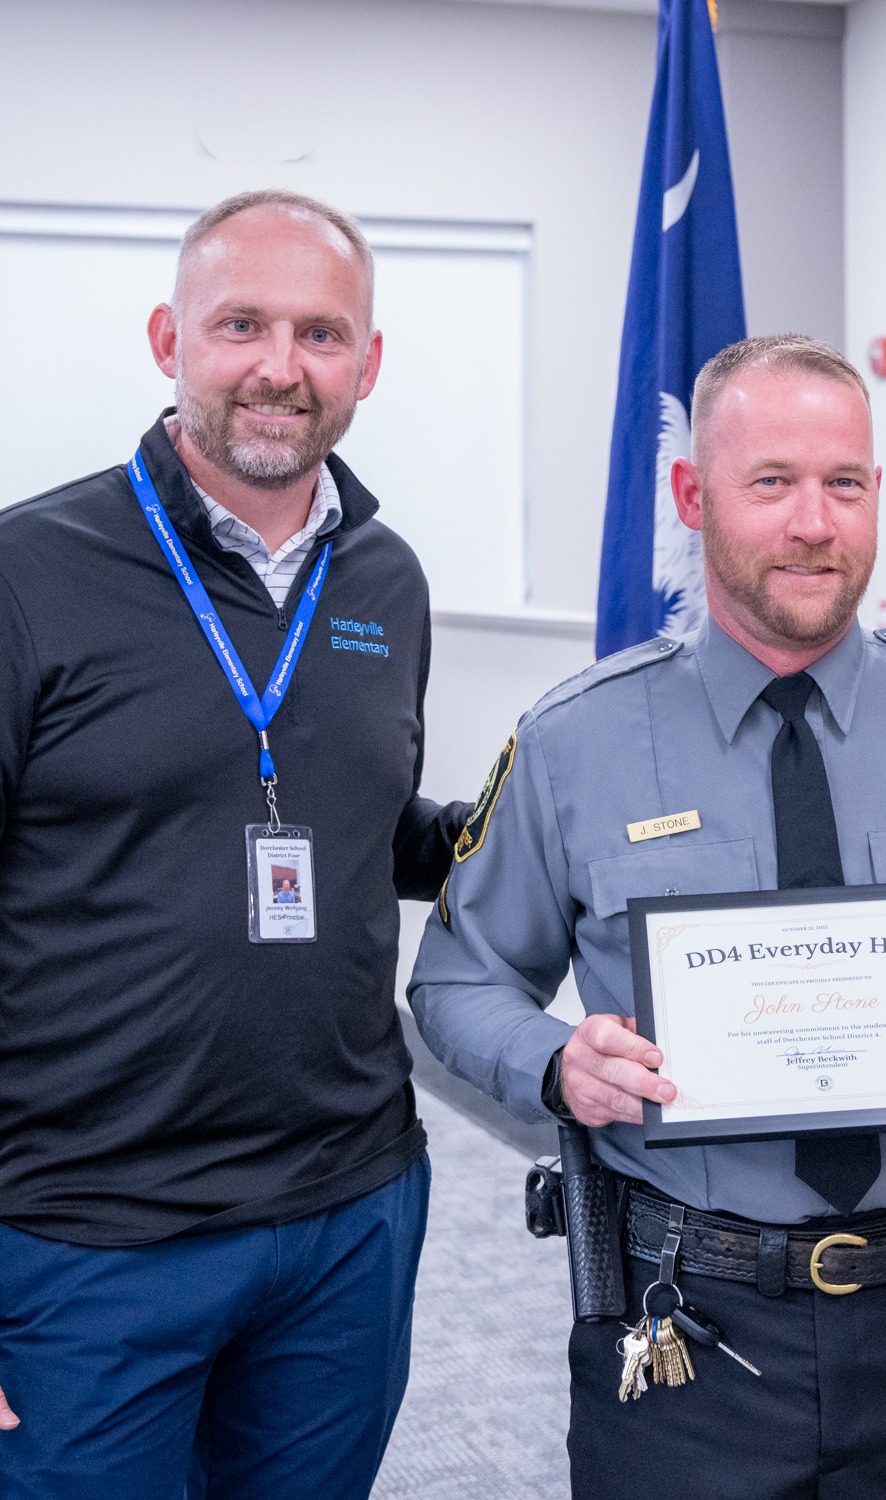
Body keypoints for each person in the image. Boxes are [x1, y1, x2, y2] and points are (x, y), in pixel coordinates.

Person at [411, 333, 886, 1499]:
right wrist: (559, 1064)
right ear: (693, 498)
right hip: (686, 1327)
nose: (816, 521)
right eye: (773, 483)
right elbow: (455, 983)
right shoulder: (576, 741)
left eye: (844, 482)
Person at [0, 189, 467, 1499]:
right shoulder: (29, 574)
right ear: (168, 339)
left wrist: (544, 824)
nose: (280, 366)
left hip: (345, 1215)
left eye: (322, 333)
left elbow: (367, 832)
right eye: (240, 324)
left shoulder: (385, 580)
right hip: (85, 1238)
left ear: (368, 363)